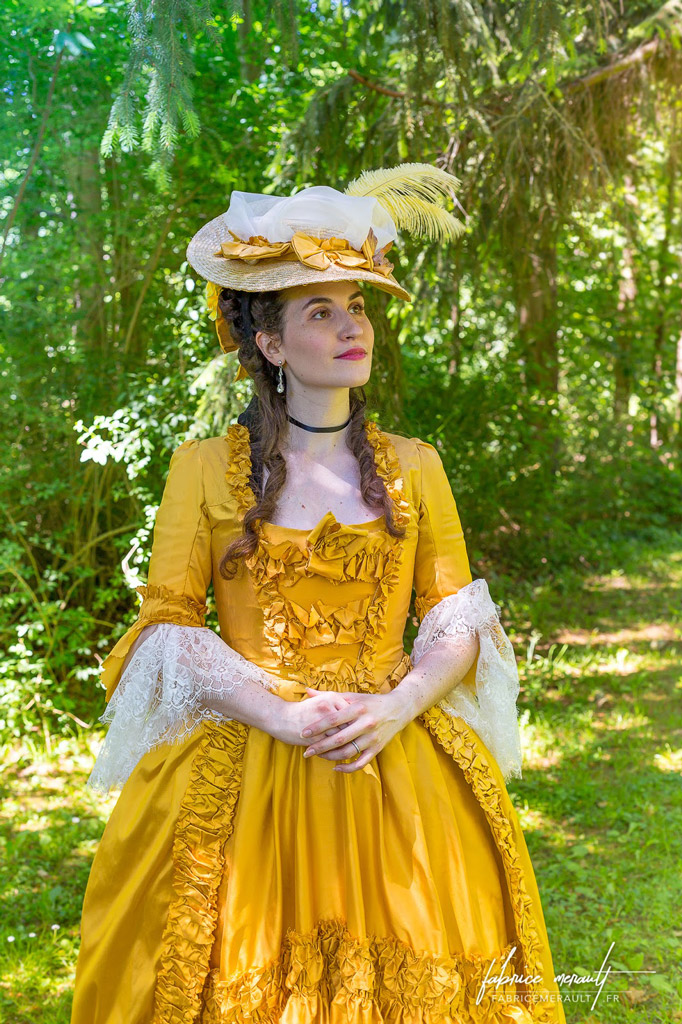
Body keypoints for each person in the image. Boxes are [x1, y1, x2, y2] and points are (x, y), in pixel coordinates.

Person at [70, 165, 567, 1024]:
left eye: (359, 307)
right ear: (269, 344)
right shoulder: (203, 471)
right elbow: (167, 626)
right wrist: (283, 715)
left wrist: (402, 703)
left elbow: (455, 617)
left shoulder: (415, 467)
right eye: (321, 311)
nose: (351, 327)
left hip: (397, 756)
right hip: (250, 762)